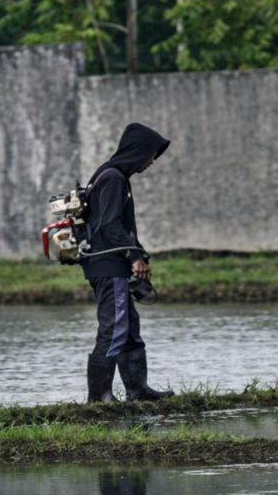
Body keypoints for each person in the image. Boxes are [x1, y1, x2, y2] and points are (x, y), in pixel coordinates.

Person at [81, 122, 175, 403]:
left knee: (129, 326)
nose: (151, 162)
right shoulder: (113, 178)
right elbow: (110, 226)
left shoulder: (112, 175)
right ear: (138, 151)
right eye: (150, 155)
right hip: (108, 265)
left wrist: (138, 253)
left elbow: (114, 225)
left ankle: (138, 390)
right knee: (114, 328)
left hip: (111, 263)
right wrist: (134, 257)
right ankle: (99, 397)